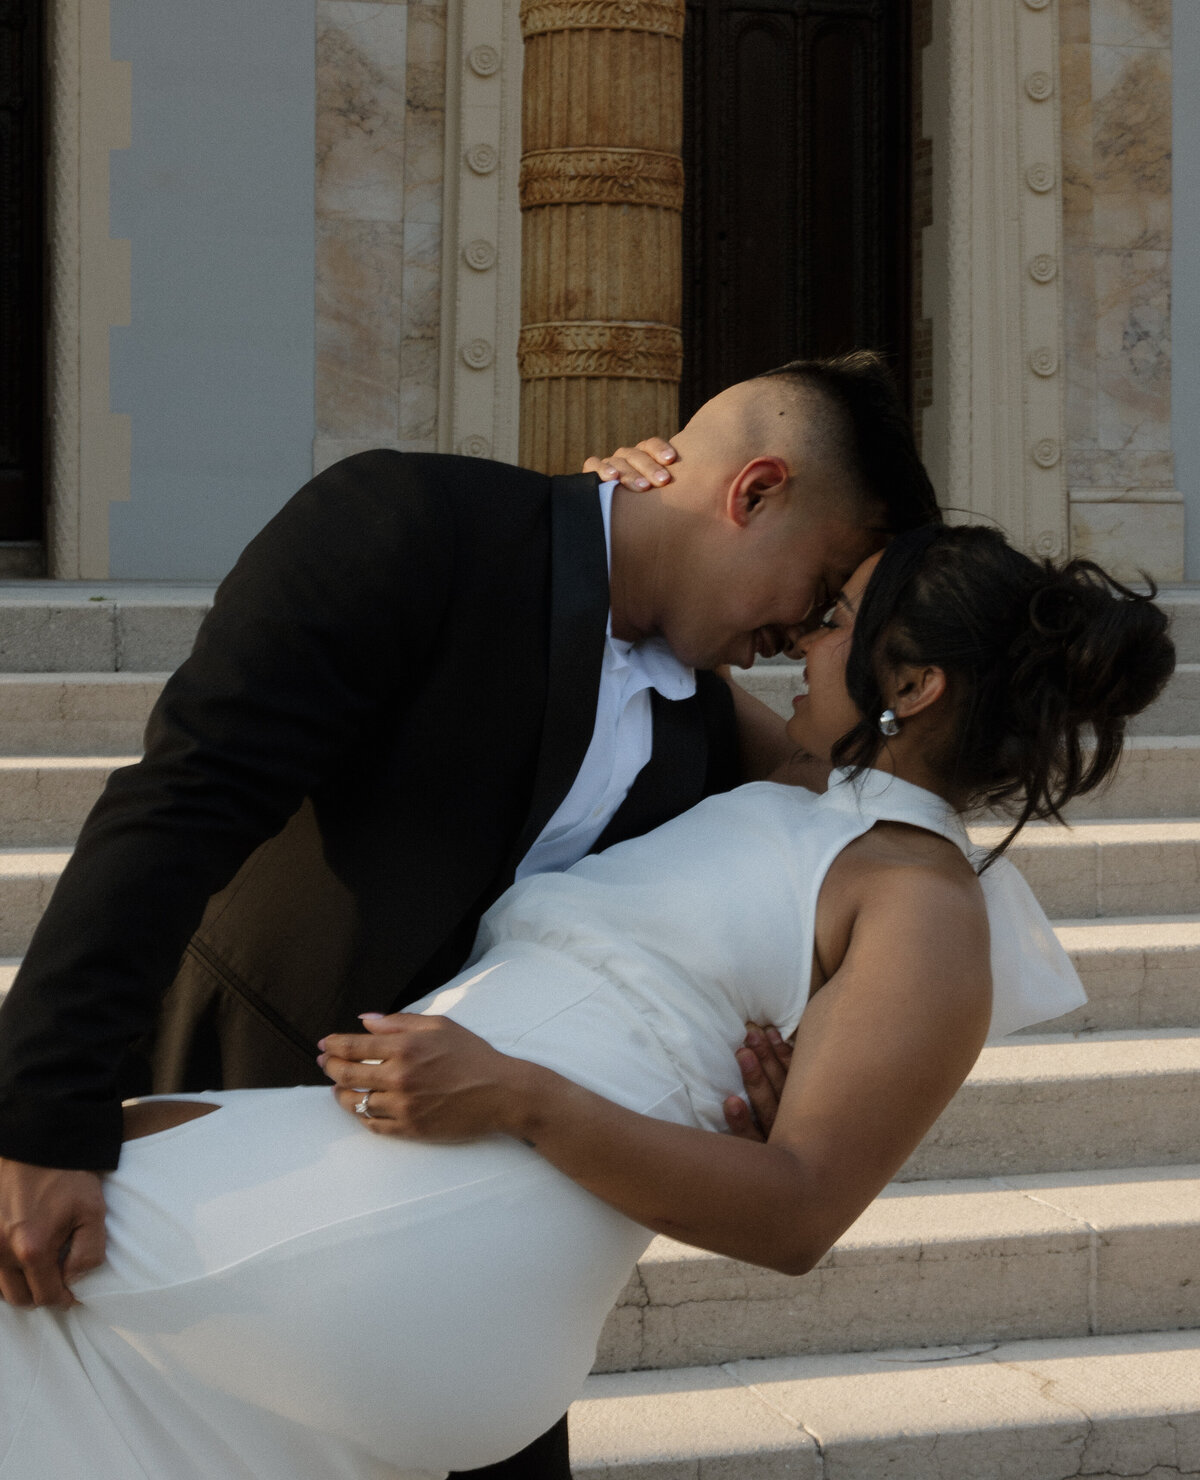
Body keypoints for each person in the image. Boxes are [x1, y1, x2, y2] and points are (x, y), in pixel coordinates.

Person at [0, 524, 1173, 1479]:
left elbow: (798, 1215)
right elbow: (670, 635)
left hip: (451, 1221)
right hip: (397, 1184)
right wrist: (627, 493)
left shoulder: (926, 907)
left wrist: (519, 1097)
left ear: (909, 685)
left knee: (28, 1252)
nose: (801, 642)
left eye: (835, 622)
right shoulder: (811, 792)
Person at [0, 355, 937, 1480]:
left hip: (473, 1249)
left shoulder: (706, 737)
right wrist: (41, 1116)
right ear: (753, 493)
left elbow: (831, 832)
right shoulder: (413, 524)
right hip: (224, 1135)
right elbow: (181, 805)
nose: (806, 632)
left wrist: (762, 1077)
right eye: (826, 588)